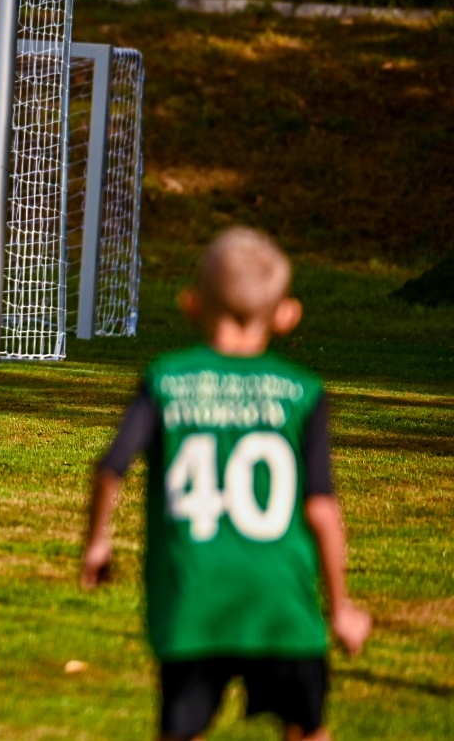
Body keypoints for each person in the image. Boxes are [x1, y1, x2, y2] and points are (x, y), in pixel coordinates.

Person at [80, 227, 372, 741]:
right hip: (281, 606)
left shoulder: (166, 379)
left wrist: (98, 542)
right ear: (287, 314)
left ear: (191, 304)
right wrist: (341, 607)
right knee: (308, 728)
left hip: (196, 603)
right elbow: (321, 508)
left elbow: (111, 468)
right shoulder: (303, 392)